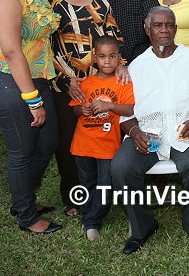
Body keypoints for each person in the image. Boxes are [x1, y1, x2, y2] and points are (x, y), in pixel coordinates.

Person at [111, 6, 189, 254]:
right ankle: (143, 226)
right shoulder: (137, 67)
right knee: (120, 167)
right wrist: (134, 133)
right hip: (147, 134)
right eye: (158, 25)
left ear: (175, 28)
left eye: (169, 25)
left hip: (187, 132)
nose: (164, 30)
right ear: (147, 29)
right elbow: (126, 112)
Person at [0, 0, 62, 234]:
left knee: (48, 143)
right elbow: (12, 51)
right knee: (22, 152)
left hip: (38, 80)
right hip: (9, 82)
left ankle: (23, 199)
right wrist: (32, 100)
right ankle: (27, 217)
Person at [50, 0, 126, 217]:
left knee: (102, 134)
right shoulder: (49, 2)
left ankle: (105, 190)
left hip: (100, 82)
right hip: (67, 85)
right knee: (68, 143)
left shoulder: (100, 1)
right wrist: (65, 80)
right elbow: (43, 46)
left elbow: (114, 37)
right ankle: (74, 196)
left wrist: (121, 65)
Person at [69, 36, 135, 242]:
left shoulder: (123, 82)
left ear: (119, 58)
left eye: (112, 56)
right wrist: (83, 109)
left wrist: (109, 106)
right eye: (102, 56)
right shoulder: (86, 83)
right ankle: (90, 220)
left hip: (108, 145)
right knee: (87, 183)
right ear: (95, 58)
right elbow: (75, 110)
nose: (107, 61)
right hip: (83, 144)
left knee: (106, 185)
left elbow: (130, 109)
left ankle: (92, 220)